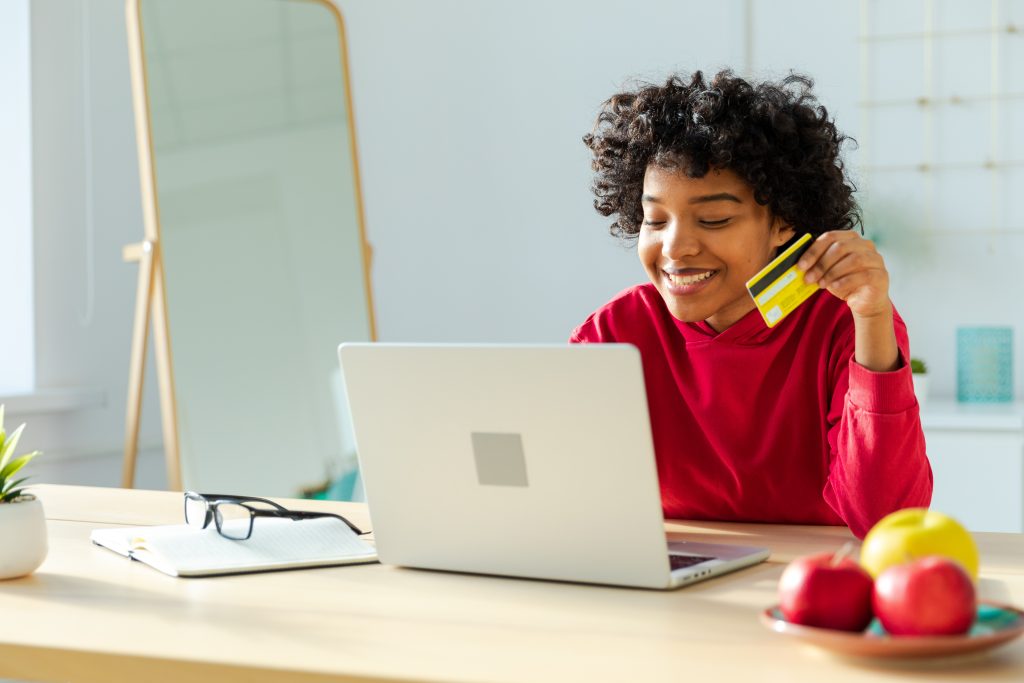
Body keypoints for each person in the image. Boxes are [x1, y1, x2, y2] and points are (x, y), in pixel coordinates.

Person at [571, 70, 932, 539]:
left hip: (814, 586)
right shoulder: (615, 332)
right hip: (676, 585)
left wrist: (873, 317)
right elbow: (578, 504)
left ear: (784, 221)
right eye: (655, 219)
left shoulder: (845, 323)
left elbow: (886, 520)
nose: (675, 247)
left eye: (714, 219)